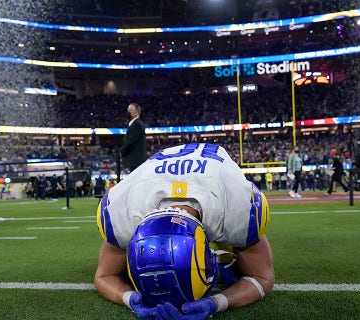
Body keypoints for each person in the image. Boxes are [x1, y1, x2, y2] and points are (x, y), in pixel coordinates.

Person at [94, 143, 274, 320]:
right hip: (161, 174)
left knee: (237, 259)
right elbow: (104, 275)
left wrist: (216, 303)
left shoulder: (235, 209)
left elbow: (263, 277)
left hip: (212, 169)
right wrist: (131, 299)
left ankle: (226, 256)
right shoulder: (125, 215)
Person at [120, 103, 148, 173]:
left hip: (136, 160)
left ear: (136, 112)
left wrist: (121, 151)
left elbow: (130, 142)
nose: (128, 112)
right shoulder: (133, 123)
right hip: (134, 160)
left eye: (130, 110)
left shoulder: (137, 124)